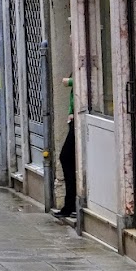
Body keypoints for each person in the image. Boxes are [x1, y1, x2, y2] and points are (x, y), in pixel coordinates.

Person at [53, 77, 76, 219]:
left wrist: (71, 81)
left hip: (78, 120)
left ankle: (71, 205)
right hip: (74, 120)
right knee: (68, 160)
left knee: (66, 158)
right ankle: (70, 205)